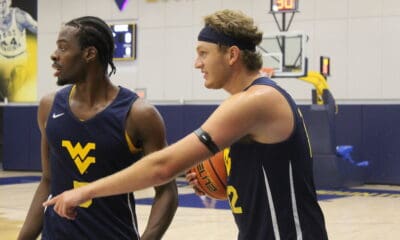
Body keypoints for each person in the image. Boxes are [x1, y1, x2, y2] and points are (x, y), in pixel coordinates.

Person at [43, 10, 329, 239]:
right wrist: (220, 179)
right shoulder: (253, 100)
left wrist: (85, 191)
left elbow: (162, 166)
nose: (197, 63)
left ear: (231, 55)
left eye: (203, 53)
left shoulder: (256, 100)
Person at [18, 16, 178, 240]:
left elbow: (166, 191)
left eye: (63, 47)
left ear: (89, 54)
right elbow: (47, 182)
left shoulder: (139, 115)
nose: (54, 54)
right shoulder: (48, 106)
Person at [0, 0, 38, 102]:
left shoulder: (19, 16)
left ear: (9, 2)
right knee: (6, 94)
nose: (1, 5)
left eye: (3, 2)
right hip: (3, 58)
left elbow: (38, 29)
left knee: (17, 92)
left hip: (19, 57)